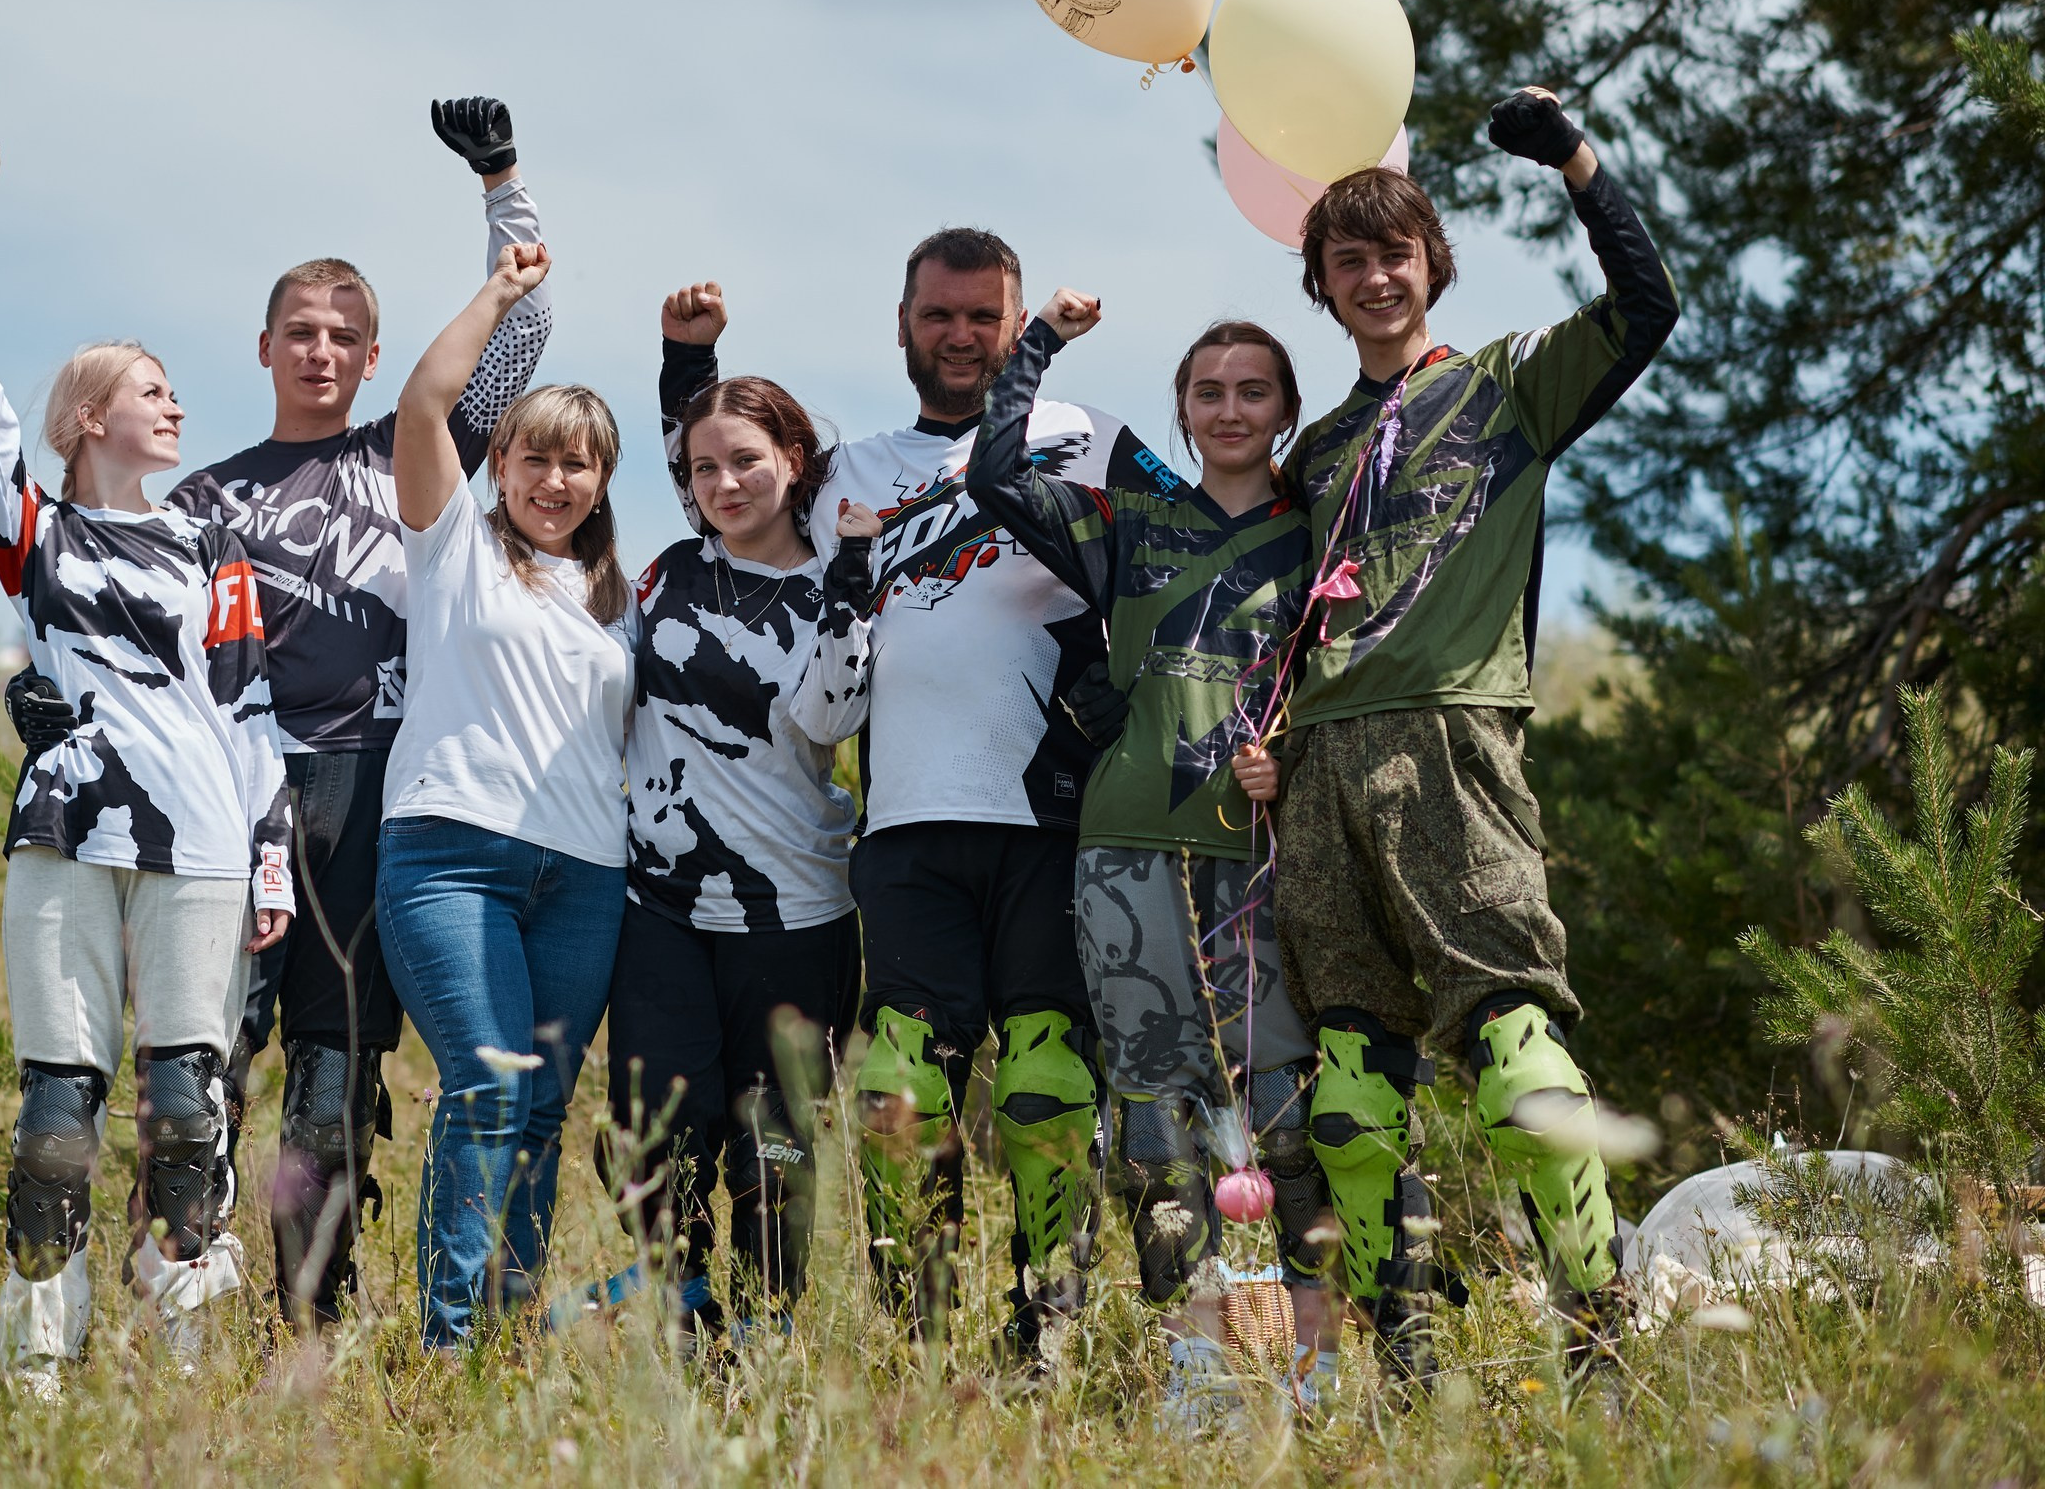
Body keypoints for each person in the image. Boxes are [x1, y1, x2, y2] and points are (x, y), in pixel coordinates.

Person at [5, 98, 551, 1325]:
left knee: (328, 1082)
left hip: (374, 786)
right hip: (217, 799)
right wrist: (39, 698)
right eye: (298, 331)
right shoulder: (192, 498)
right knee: (206, 1071)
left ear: (371, 354)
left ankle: (313, 1308)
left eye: (343, 334)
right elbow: (91, 600)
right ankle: (179, 1299)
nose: (320, 350)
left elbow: (518, 342)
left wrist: (501, 187)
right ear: (261, 349)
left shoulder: (414, 448)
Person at [661, 232, 1177, 1354]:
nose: (958, 336)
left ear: (1016, 323)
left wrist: (1136, 681)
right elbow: (716, 476)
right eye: (937, 315)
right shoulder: (849, 468)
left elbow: (1204, 536)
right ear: (900, 325)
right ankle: (919, 1331)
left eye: (982, 317)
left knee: (1044, 1082)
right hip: (900, 823)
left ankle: (1047, 1320)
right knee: (899, 1090)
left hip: (1048, 816)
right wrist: (688, 358)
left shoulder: (1082, 433)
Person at [1271, 89, 1679, 1387]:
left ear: (1430, 264)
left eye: (1396, 252)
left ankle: (1600, 1335)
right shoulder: (1315, 449)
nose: (1377, 274)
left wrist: (1574, 156)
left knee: (1519, 1062)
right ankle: (1408, 1357)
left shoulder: (1505, 385)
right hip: (1321, 767)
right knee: (1351, 1089)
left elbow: (1648, 306)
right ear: (1323, 287)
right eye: (1350, 260)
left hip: (1454, 743)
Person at [0, 144, 293, 1394]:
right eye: (153, 388)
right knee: (56, 1117)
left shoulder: (213, 542)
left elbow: (250, 708)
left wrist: (273, 849)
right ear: (90, 417)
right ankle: (38, 1367)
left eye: (176, 390)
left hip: (202, 842)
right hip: (66, 833)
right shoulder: (37, 533)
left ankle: (180, 1359)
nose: (175, 407)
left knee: (188, 1106)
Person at [970, 307, 1340, 1424]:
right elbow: (994, 472)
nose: (1230, 409)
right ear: (1181, 411)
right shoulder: (1125, 518)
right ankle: (1195, 1370)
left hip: (1261, 851)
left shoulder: (1320, 530)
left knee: (1285, 1109)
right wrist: (1033, 344)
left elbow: (1353, 681)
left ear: (1285, 409)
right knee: (1154, 1108)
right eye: (1209, 391)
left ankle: (1316, 1372)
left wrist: (1301, 758)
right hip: (1125, 849)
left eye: (1254, 390)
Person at [589, 286, 877, 1338]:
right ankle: (680, 1304)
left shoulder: (837, 586)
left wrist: (848, 580)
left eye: (746, 460)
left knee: (776, 1140)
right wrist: (687, 346)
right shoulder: (673, 568)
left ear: (794, 459)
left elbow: (825, 713)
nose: (722, 481)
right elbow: (687, 420)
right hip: (660, 902)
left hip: (795, 909)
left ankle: (770, 1326)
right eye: (705, 468)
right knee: (659, 1123)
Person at [377, 236, 631, 1348]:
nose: (553, 480)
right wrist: (501, 289)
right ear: (502, 464)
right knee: (484, 1083)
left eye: (577, 464)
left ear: (601, 481)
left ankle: (510, 1326)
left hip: (585, 875)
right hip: (451, 852)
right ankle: (448, 1343)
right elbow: (424, 404)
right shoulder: (452, 550)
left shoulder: (624, 593)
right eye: (534, 457)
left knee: (540, 1106)